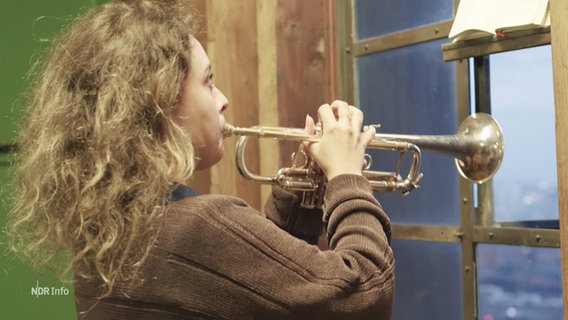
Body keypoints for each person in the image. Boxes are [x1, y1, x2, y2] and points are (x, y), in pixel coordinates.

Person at [7, 1, 394, 319]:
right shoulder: (198, 225)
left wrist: (299, 197)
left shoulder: (107, 232)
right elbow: (366, 295)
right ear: (158, 103)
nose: (222, 98)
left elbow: (259, 291)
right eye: (208, 81)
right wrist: (347, 178)